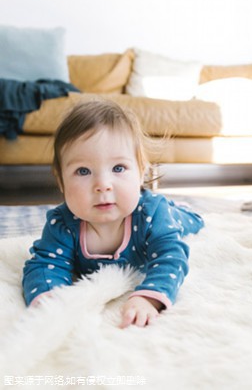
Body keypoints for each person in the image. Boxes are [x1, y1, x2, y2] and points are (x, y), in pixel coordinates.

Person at [22, 99, 204, 328]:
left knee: (185, 221)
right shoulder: (63, 223)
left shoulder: (152, 214)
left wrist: (148, 297)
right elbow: (45, 264)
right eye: (83, 171)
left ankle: (182, 211)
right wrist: (50, 300)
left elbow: (171, 257)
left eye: (118, 168)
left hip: (163, 213)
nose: (103, 185)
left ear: (141, 173)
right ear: (61, 181)